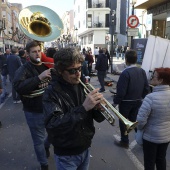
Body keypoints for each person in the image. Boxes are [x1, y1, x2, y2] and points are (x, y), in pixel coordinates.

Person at [42, 47, 105, 170]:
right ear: (60, 71)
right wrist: (83, 108)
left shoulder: (83, 86)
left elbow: (97, 118)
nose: (78, 74)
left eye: (79, 69)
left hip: (85, 148)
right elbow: (53, 125)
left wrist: (99, 109)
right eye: (72, 71)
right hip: (66, 154)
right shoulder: (51, 93)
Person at [13, 41, 51, 170]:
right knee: (38, 141)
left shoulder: (47, 66)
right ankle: (44, 165)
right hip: (34, 111)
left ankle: (47, 146)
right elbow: (18, 87)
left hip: (50, 108)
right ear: (28, 54)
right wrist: (39, 78)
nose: (37, 54)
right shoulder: (23, 69)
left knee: (54, 132)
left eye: (39, 51)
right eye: (34, 52)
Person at [113, 49, 149, 149]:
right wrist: (141, 98)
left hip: (126, 102)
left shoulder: (125, 73)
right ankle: (143, 139)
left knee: (123, 122)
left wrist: (115, 103)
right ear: (136, 59)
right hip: (138, 101)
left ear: (126, 60)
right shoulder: (142, 71)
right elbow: (146, 88)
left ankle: (124, 141)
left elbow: (121, 92)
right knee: (134, 120)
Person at [137, 67, 170, 170]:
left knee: (149, 162)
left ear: (160, 80)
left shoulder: (150, 97)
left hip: (150, 137)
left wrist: (140, 128)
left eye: (154, 76)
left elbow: (141, 121)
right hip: (166, 136)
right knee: (161, 159)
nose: (151, 78)